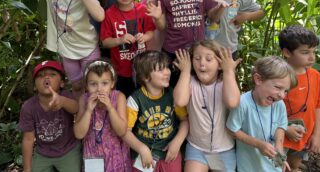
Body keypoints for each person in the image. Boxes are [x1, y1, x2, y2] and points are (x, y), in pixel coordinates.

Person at [24, 0, 105, 99]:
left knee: (92, 86)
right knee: (76, 85)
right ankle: (78, 113)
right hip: (67, 50)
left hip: (88, 50)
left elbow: (100, 15)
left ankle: (93, 117)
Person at [147, 0, 228, 87]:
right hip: (173, 53)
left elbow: (213, 17)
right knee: (173, 89)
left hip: (198, 53)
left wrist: (220, 8)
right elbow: (162, 27)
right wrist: (157, 16)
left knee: (196, 89)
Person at [173, 40, 240, 172]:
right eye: (197, 58)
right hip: (197, 148)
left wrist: (228, 71)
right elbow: (180, 101)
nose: (202, 63)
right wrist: (185, 71)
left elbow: (233, 103)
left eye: (209, 59)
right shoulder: (190, 82)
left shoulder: (225, 83)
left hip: (223, 150)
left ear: (219, 65)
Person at [226, 56, 297, 172]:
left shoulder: (279, 104)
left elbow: (280, 127)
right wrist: (258, 144)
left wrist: (279, 151)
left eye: (285, 91)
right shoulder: (243, 103)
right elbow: (232, 130)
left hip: (273, 167)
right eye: (278, 87)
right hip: (249, 166)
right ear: (258, 79)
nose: (282, 95)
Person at [123, 50, 189, 172]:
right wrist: (142, 148)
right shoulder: (135, 99)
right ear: (145, 77)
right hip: (143, 155)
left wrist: (177, 142)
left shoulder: (174, 94)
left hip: (169, 153)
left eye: (167, 68)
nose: (167, 72)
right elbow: (124, 131)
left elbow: (185, 121)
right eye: (160, 70)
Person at [279, 25, 320, 171]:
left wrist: (316, 135)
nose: (312, 57)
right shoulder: (276, 76)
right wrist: (284, 128)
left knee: (294, 164)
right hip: (278, 134)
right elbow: (265, 110)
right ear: (287, 52)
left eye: (314, 52)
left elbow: (319, 106)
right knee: (276, 166)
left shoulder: (315, 76)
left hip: (302, 135)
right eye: (305, 52)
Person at [100, 0, 155, 97]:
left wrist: (145, 37)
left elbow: (150, 31)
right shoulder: (109, 14)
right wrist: (119, 40)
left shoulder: (143, 10)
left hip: (142, 68)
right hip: (121, 71)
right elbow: (105, 42)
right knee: (124, 99)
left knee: (143, 97)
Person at [18, 60, 80, 172]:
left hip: (68, 149)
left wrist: (63, 101)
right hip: (43, 152)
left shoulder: (65, 96)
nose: (46, 78)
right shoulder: (28, 107)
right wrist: (27, 169)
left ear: (61, 83)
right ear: (35, 86)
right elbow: (28, 139)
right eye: (40, 76)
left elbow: (76, 108)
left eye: (52, 74)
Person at [74, 59, 132, 172]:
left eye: (104, 83)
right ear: (86, 86)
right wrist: (89, 110)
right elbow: (79, 134)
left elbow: (122, 131)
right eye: (93, 84)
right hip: (92, 155)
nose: (99, 89)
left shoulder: (119, 97)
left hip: (116, 155)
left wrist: (110, 108)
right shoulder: (84, 99)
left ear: (112, 83)